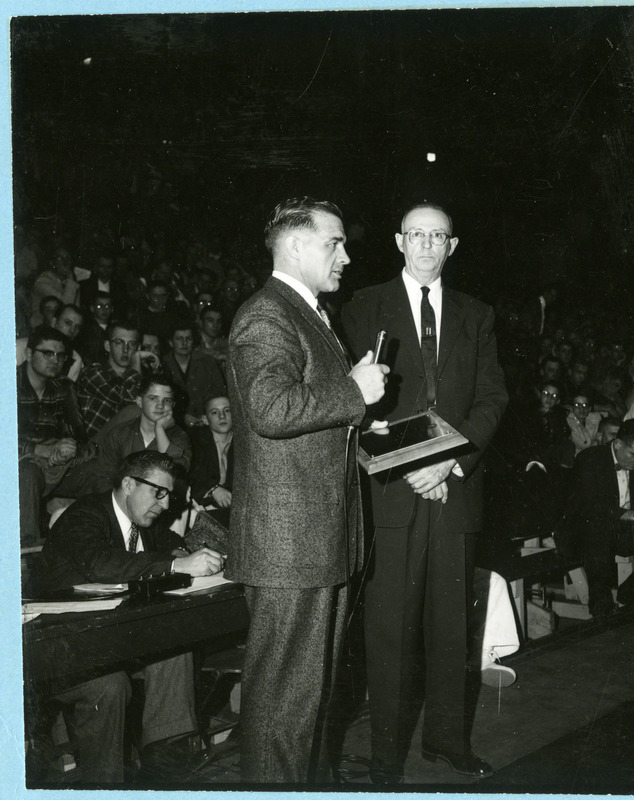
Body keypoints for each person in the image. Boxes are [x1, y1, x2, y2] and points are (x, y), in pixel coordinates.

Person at [342, 201, 508, 783]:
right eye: (418, 235)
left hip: (454, 489)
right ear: (398, 240)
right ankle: (385, 756)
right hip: (392, 491)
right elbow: (353, 401)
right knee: (388, 630)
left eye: (439, 237)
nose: (428, 246)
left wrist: (448, 463)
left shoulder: (477, 314)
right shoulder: (363, 306)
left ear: (453, 246)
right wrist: (407, 460)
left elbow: (492, 399)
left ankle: (445, 740)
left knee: (450, 631)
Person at [225, 196, 388, 783]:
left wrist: (361, 418)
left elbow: (306, 416)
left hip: (318, 541)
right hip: (290, 544)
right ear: (294, 245)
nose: (345, 254)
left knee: (308, 698)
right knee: (283, 703)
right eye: (334, 242)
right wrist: (353, 392)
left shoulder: (306, 312)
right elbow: (270, 409)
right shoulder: (267, 314)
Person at [36, 451, 224, 784]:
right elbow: (100, 564)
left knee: (175, 644)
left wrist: (185, 554)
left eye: (169, 495)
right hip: (64, 647)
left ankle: (165, 755)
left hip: (114, 637)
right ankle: (108, 784)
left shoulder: (145, 523)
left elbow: (171, 544)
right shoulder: (85, 514)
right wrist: (175, 566)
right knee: (111, 686)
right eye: (159, 493)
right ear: (128, 484)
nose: (166, 505)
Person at [563, 417, 634, 617]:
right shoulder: (589, 459)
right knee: (598, 529)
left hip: (624, 529)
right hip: (585, 531)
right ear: (617, 444)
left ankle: (631, 590)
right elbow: (588, 507)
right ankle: (601, 608)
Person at [17, 325, 90, 544]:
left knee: (99, 470)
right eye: (47, 353)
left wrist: (65, 448)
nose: (55, 360)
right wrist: (40, 449)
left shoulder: (64, 387)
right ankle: (26, 548)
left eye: (60, 356)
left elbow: (79, 434)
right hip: (20, 463)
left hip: (57, 465)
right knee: (28, 472)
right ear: (29, 354)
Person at [77, 321, 158, 437]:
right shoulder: (92, 373)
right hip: (92, 448)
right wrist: (136, 361)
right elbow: (131, 397)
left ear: (138, 348)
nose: (126, 349)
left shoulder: (139, 377)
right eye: (119, 342)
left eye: (132, 344)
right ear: (107, 346)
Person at [163, 322, 226, 426]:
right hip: (172, 423)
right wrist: (182, 416)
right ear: (171, 342)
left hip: (205, 421)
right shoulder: (163, 363)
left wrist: (208, 414)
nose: (184, 343)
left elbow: (219, 392)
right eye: (179, 339)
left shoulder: (208, 362)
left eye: (189, 338)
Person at [188, 395, 233, 525]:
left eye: (227, 410)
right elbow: (190, 477)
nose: (222, 416)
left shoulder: (243, 442)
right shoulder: (195, 441)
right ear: (205, 419)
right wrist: (213, 489)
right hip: (202, 506)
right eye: (215, 412)